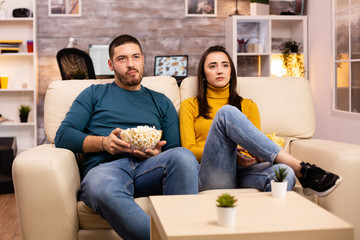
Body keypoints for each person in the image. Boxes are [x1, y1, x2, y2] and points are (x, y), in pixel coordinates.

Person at [55, 34, 199, 240]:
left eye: (136, 57)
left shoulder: (161, 101)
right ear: (111, 64)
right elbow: (63, 135)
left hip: (149, 169)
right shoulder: (94, 94)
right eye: (122, 59)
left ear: (143, 60)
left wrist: (156, 153)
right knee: (101, 187)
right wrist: (104, 143)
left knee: (184, 157)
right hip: (106, 169)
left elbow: (174, 149)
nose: (131, 64)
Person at [179, 45, 342, 197]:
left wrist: (251, 158)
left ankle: (268, 222)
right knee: (227, 113)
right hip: (214, 173)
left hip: (245, 172)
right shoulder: (190, 105)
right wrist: (231, 155)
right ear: (203, 74)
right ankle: (303, 169)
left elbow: (256, 150)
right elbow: (189, 151)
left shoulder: (248, 106)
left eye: (225, 65)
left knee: (284, 173)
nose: (220, 71)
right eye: (212, 66)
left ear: (231, 71)